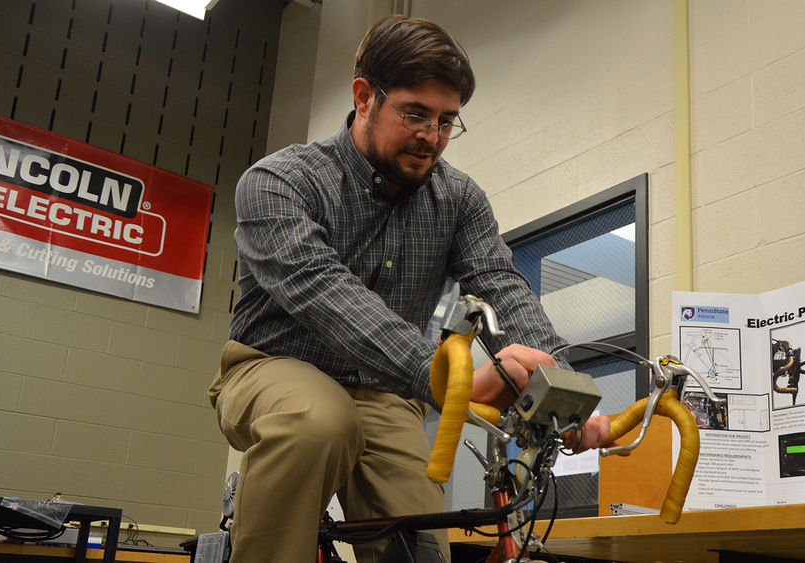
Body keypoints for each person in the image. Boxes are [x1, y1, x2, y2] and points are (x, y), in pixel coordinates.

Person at [208, 14, 614, 562]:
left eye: (448, 121)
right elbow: (323, 292)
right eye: (415, 113)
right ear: (364, 96)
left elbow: (500, 284)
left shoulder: (459, 199)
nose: (432, 136)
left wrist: (561, 388)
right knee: (318, 421)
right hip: (272, 367)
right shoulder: (279, 182)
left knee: (420, 543)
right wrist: (445, 376)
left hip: (385, 392)